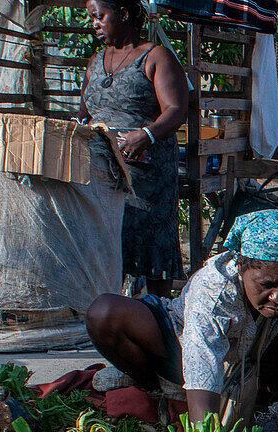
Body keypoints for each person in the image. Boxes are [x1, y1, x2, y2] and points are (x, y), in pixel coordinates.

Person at [86, 209, 278, 432]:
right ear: (241, 268)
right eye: (266, 285)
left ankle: (261, 402)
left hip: (253, 365)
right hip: (182, 349)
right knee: (105, 312)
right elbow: (202, 368)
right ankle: (159, 390)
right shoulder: (214, 286)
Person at [80, 0, 188, 297]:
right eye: (93, 18)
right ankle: (112, 309)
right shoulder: (95, 61)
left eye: (99, 16)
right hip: (103, 170)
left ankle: (158, 312)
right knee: (108, 237)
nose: (95, 24)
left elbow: (176, 109)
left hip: (146, 170)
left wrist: (146, 135)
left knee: (152, 241)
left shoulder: (156, 57)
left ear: (123, 14)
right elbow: (86, 113)